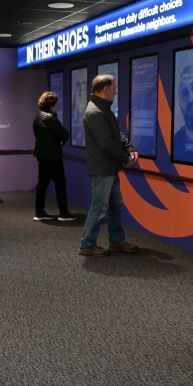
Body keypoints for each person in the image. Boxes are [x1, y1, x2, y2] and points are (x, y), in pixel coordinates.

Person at [79, 74, 140, 257]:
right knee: (99, 207)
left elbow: (116, 135)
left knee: (115, 206)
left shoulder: (103, 109)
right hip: (102, 169)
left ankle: (117, 242)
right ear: (105, 90)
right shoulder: (95, 112)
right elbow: (106, 143)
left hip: (110, 168)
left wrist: (129, 148)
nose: (115, 92)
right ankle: (87, 244)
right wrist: (125, 158)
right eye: (114, 88)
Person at [32, 91, 75, 222]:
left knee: (43, 183)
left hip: (41, 155)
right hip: (52, 156)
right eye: (56, 104)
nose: (58, 106)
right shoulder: (51, 118)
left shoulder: (39, 116)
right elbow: (65, 135)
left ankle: (39, 212)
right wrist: (59, 140)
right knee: (60, 183)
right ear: (51, 105)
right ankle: (64, 213)